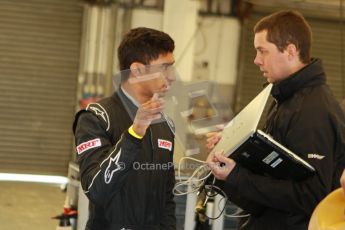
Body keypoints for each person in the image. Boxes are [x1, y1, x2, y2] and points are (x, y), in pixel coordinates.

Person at [206, 10, 345, 230]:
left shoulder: (313, 111)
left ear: (290, 50)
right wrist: (232, 151)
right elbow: (274, 176)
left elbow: (312, 196)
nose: (256, 60)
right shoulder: (286, 100)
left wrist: (237, 176)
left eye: (263, 51)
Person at [73, 27, 176, 230]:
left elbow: (167, 198)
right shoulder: (96, 117)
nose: (171, 76)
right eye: (165, 67)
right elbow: (96, 190)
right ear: (137, 70)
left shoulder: (165, 125)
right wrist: (134, 133)